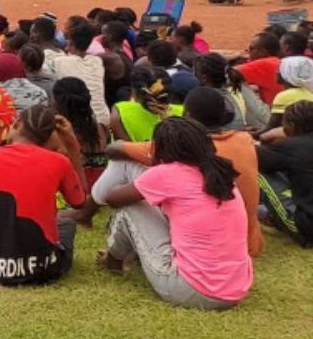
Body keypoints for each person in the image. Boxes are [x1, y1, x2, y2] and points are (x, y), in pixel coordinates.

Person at [98, 117, 253, 310]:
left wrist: (147, 176)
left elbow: (112, 198)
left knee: (131, 209)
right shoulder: (220, 172)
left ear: (161, 148)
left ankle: (113, 261)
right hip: (235, 288)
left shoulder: (168, 173)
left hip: (192, 291)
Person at [0, 105, 87, 285]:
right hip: (43, 268)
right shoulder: (59, 162)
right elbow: (80, 201)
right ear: (50, 136)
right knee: (66, 223)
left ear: (16, 124)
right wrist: (72, 147)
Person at [257, 100, 313, 245]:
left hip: (307, 229)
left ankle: (246, 212)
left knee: (258, 172)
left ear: (291, 126)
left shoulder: (290, 146)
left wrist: (265, 137)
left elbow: (252, 157)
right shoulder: (294, 147)